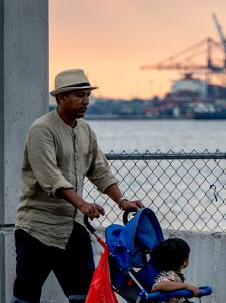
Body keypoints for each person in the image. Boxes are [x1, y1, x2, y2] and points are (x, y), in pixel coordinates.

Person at [12, 69, 144, 303]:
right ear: (61, 97)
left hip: (73, 228)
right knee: (26, 297)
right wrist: (82, 204)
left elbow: (100, 170)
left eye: (87, 95)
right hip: (38, 229)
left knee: (86, 297)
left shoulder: (85, 130)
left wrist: (122, 202)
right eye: (79, 96)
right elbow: (50, 177)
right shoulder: (42, 129)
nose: (86, 101)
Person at [151, 237, 201, 303]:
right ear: (185, 261)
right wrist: (187, 286)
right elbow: (161, 285)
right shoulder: (170, 274)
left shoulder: (174, 275)